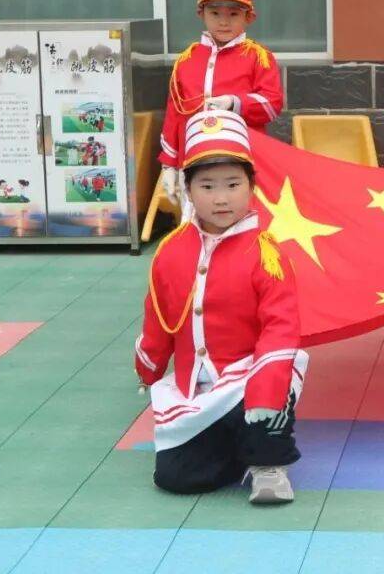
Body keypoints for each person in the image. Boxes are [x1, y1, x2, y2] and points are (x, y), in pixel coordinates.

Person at [134, 109, 307, 503]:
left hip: (249, 377)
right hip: (194, 386)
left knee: (269, 403)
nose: (221, 198)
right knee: (176, 480)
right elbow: (158, 318)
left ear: (251, 186)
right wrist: (149, 367)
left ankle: (268, 464)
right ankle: (233, 449)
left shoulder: (267, 255)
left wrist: (264, 390)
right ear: (188, 190)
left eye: (233, 184)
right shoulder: (170, 252)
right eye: (207, 186)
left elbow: (280, 331)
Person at [158, 0, 283, 217]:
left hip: (241, 163)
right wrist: (168, 165)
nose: (224, 22)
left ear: (249, 17)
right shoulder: (186, 60)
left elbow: (272, 104)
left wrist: (235, 103)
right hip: (194, 164)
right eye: (215, 13)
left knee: (243, 226)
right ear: (201, 13)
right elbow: (174, 113)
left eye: (234, 14)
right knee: (194, 227)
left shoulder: (259, 57)